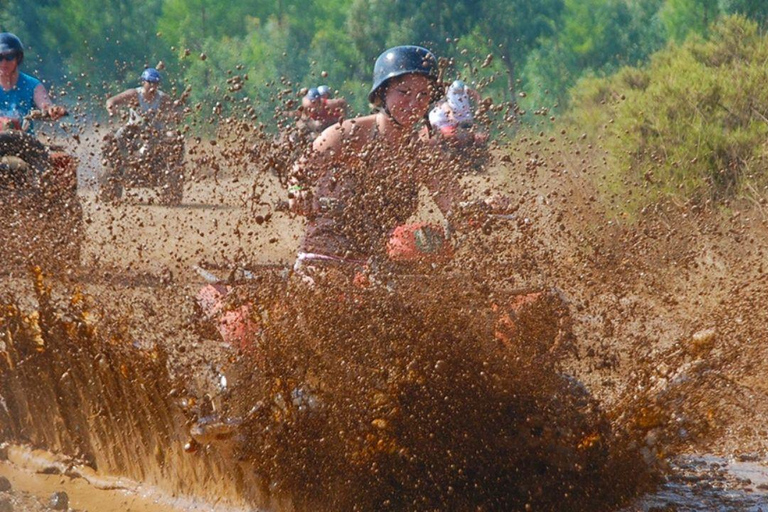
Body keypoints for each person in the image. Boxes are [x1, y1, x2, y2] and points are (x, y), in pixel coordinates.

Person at [289, 46, 505, 284]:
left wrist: (485, 208)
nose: (414, 102)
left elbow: (456, 211)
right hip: (324, 261)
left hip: (378, 271)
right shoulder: (346, 134)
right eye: (404, 92)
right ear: (382, 94)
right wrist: (299, 194)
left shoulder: (426, 155)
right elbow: (300, 176)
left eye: (424, 95)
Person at [428, 79, 486, 145]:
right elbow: (448, 110)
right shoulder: (446, 100)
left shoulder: (464, 89)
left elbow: (475, 94)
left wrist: (480, 104)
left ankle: (475, 139)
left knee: (462, 134)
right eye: (457, 92)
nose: (459, 93)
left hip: (461, 119)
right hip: (453, 121)